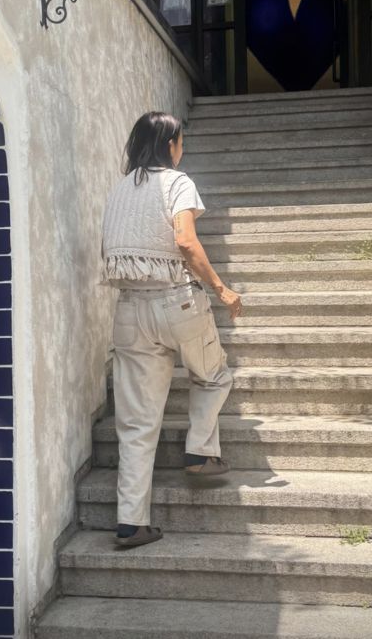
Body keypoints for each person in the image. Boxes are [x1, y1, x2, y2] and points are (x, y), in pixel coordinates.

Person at [101, 111, 242, 548]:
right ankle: (200, 451)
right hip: (176, 301)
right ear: (169, 145)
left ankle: (131, 523)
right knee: (213, 375)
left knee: (136, 425)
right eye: (180, 141)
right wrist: (221, 288)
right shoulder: (177, 182)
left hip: (130, 310)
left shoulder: (119, 189)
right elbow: (185, 240)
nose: (182, 148)